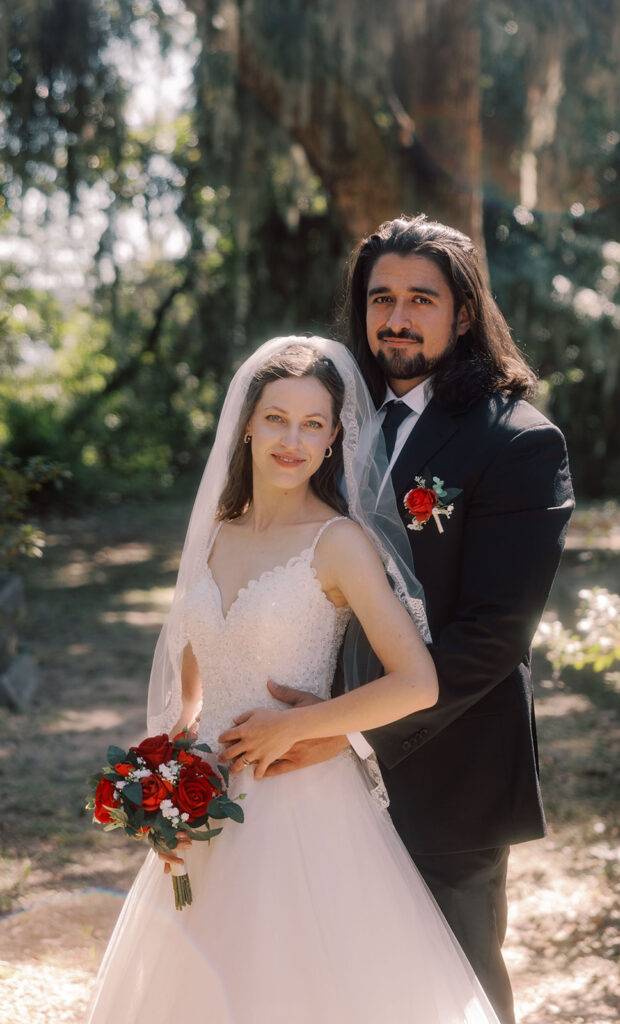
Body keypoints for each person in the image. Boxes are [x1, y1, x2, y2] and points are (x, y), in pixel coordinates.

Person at [86, 336, 501, 1024]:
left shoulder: (337, 542)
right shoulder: (215, 535)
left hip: (302, 808)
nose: (292, 440)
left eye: (313, 424)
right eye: (277, 418)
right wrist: (160, 785)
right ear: (247, 422)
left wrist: (300, 724)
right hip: (210, 810)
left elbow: (417, 684)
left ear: (335, 437)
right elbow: (193, 695)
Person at [253, 217, 574, 1024]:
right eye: (381, 298)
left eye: (420, 300)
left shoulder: (517, 442)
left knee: (452, 981)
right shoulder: (326, 423)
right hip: (310, 761)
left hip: (449, 770)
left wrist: (352, 730)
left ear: (463, 314)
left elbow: (498, 633)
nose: (396, 317)